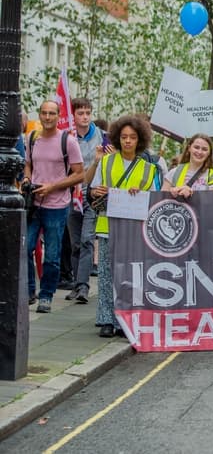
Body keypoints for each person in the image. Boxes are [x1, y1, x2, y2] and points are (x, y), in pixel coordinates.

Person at [88, 115, 159, 337]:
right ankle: (107, 319)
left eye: (133, 137)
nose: (128, 141)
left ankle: (125, 319)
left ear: (140, 140)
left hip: (135, 229)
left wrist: (141, 193)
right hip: (107, 225)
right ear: (118, 139)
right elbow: (93, 190)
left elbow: (155, 198)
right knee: (107, 274)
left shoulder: (150, 169)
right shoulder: (106, 162)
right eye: (124, 137)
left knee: (130, 275)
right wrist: (97, 191)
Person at [23, 100, 85, 312]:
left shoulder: (67, 141)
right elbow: (28, 165)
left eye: (51, 113)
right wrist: (26, 179)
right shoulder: (32, 137)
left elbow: (80, 174)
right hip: (34, 204)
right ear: (39, 115)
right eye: (44, 113)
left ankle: (46, 295)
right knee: (26, 248)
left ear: (58, 116)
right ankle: (29, 291)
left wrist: (52, 186)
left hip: (57, 206)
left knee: (52, 254)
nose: (47, 117)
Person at [65, 98, 111, 304]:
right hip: (70, 194)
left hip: (92, 194)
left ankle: (83, 286)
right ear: (73, 115)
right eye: (80, 113)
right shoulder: (68, 137)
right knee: (75, 242)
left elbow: (112, 162)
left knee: (86, 239)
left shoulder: (103, 137)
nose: (84, 117)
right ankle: (77, 283)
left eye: (88, 113)